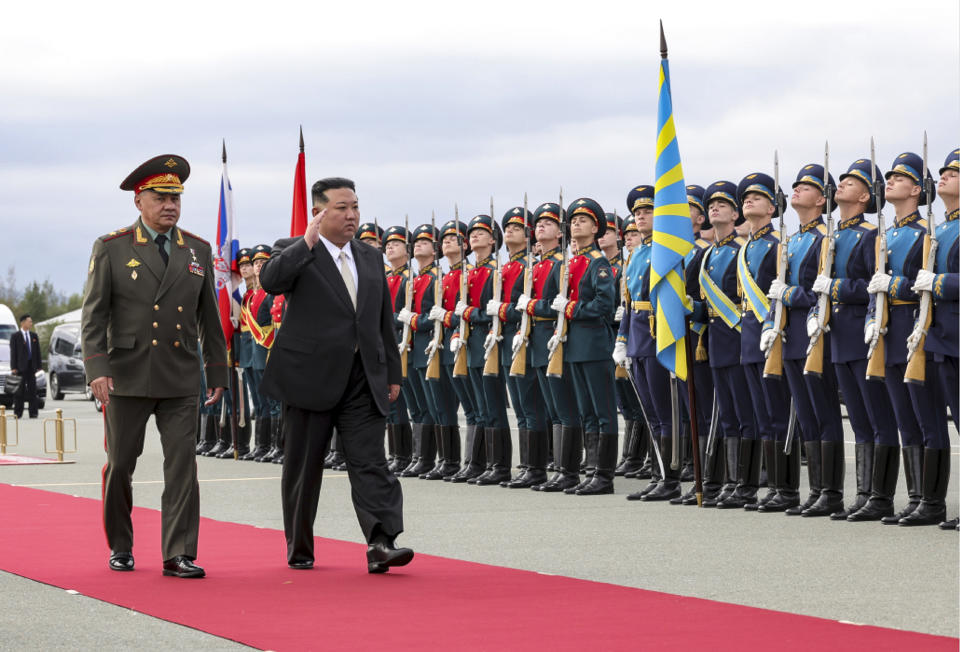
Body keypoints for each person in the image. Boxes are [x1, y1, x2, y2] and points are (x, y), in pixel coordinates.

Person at [81, 154, 228, 578]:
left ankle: (178, 552)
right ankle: (121, 545)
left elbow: (209, 319)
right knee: (122, 464)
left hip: (180, 374)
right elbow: (95, 315)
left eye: (176, 198)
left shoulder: (197, 249)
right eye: (160, 197)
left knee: (182, 464)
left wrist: (216, 372)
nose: (170, 206)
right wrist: (97, 369)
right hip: (126, 375)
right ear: (138, 201)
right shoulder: (112, 247)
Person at [258, 176, 412, 573]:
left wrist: (391, 372)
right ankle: (300, 545)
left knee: (370, 462)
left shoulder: (368, 255)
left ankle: (381, 541)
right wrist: (305, 242)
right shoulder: (295, 251)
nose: (351, 215)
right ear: (318, 212)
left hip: (363, 377)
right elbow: (271, 282)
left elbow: (382, 319)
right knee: (304, 467)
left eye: (355, 206)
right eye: (342, 207)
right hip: (310, 377)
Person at [865, 153, 949, 526]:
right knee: (906, 420)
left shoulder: (925, 233)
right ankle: (918, 497)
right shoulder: (887, 235)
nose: (891, 181)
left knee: (929, 418)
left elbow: (922, 285)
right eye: (891, 176)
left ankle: (933, 502)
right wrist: (871, 318)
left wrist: (896, 285)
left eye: (901, 177)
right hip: (889, 330)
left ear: (917, 189)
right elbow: (873, 286)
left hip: (918, 328)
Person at [764, 164, 845, 517]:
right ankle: (816, 490)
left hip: (815, 334)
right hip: (790, 336)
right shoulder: (792, 241)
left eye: (806, 186)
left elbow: (820, 293)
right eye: (795, 185)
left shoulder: (824, 239)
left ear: (822, 199)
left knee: (825, 413)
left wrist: (790, 295)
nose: (796, 190)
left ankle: (832, 492)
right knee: (808, 416)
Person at [9, 314, 41, 419]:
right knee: (19, 392)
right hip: (20, 368)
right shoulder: (15, 336)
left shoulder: (34, 336)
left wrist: (39, 366)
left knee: (33, 391)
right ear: (23, 323)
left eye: (31, 321)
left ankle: (33, 413)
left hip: (31, 368)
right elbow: (13, 353)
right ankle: (18, 413)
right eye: (29, 321)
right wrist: (13, 367)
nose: (31, 323)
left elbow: (37, 352)